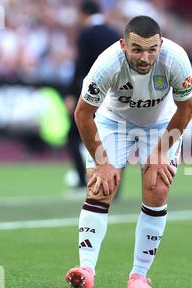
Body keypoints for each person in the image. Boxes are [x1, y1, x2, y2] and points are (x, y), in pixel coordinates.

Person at [65, 15, 192, 288]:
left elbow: (185, 110)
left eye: (152, 49)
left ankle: (138, 277)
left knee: (157, 189)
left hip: (160, 123)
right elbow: (82, 114)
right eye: (137, 49)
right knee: (101, 187)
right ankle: (86, 270)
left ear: (160, 44)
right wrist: (103, 162)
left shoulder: (177, 59)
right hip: (114, 121)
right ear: (124, 45)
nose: (145, 57)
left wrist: (160, 152)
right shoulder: (107, 64)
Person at [65, 0, 120, 189]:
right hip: (113, 96)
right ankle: (115, 183)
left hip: (91, 95)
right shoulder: (115, 34)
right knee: (114, 139)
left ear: (83, 14)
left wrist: (72, 94)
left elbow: (80, 67)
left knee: (74, 136)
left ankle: (82, 179)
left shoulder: (86, 34)